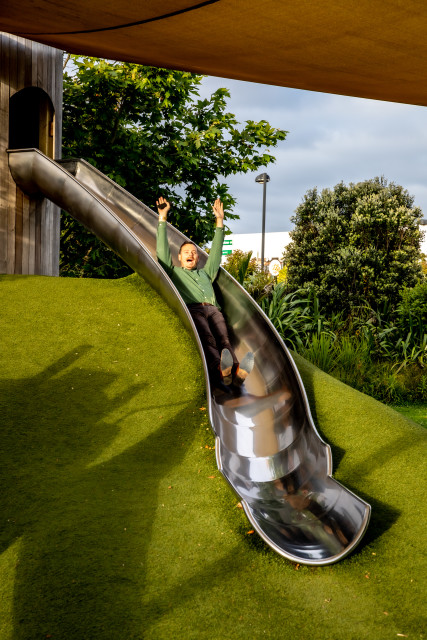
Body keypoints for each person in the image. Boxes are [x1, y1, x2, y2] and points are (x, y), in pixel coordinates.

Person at [156, 196, 254, 389]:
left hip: (214, 310)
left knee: (224, 340)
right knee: (208, 339)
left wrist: (219, 221)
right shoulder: (173, 272)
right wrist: (162, 218)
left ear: (198, 258)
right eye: (186, 252)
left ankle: (235, 372)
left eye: (194, 252)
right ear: (179, 257)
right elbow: (162, 251)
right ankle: (219, 370)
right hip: (194, 310)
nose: (191, 254)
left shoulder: (206, 273)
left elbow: (216, 251)